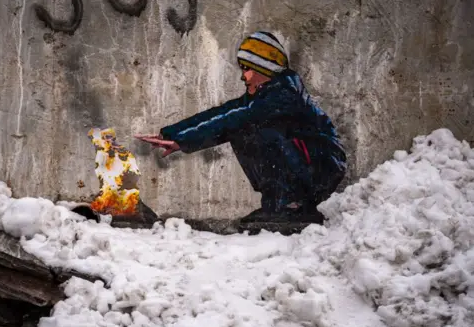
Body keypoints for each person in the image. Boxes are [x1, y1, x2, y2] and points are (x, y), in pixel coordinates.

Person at [135, 30, 347, 224]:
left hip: (320, 169)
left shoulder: (283, 96)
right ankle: (278, 203)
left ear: (264, 68)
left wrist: (182, 141)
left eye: (246, 69)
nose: (242, 76)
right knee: (240, 127)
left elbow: (235, 119)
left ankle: (293, 204)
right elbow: (221, 113)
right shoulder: (263, 96)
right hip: (309, 165)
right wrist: (172, 133)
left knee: (245, 127)